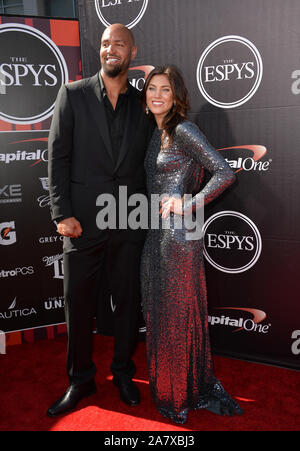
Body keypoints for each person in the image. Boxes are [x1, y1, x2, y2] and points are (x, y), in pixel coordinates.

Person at [47, 23, 153, 417]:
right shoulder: (72, 95)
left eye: (119, 44)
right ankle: (80, 379)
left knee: (128, 302)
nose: (111, 49)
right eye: (106, 43)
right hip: (81, 224)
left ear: (132, 51)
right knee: (78, 302)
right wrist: (62, 213)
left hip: (128, 219)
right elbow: (57, 156)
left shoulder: (143, 103)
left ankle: (123, 372)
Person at [140, 66, 243, 424]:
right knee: (163, 314)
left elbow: (224, 172)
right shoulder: (157, 134)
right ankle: (173, 387)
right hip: (156, 233)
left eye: (164, 90)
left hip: (178, 236)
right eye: (151, 88)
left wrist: (189, 202)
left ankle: (178, 394)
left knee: (176, 314)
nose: (156, 95)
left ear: (176, 95)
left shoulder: (183, 130)